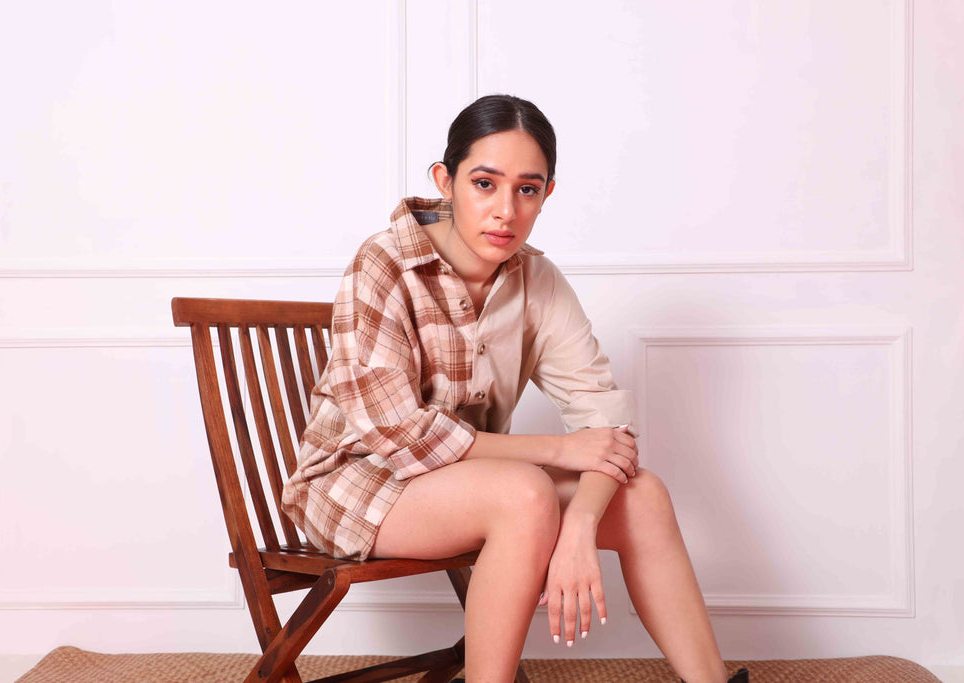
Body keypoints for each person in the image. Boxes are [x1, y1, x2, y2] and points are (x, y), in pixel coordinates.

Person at [282, 95, 748, 683]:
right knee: (524, 492)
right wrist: (556, 450)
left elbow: (607, 424)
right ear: (445, 181)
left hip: (471, 484)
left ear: (547, 194)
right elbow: (400, 434)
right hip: (354, 486)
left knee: (643, 497)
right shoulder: (384, 263)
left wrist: (579, 526)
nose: (506, 211)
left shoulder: (538, 280)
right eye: (484, 183)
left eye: (527, 189)